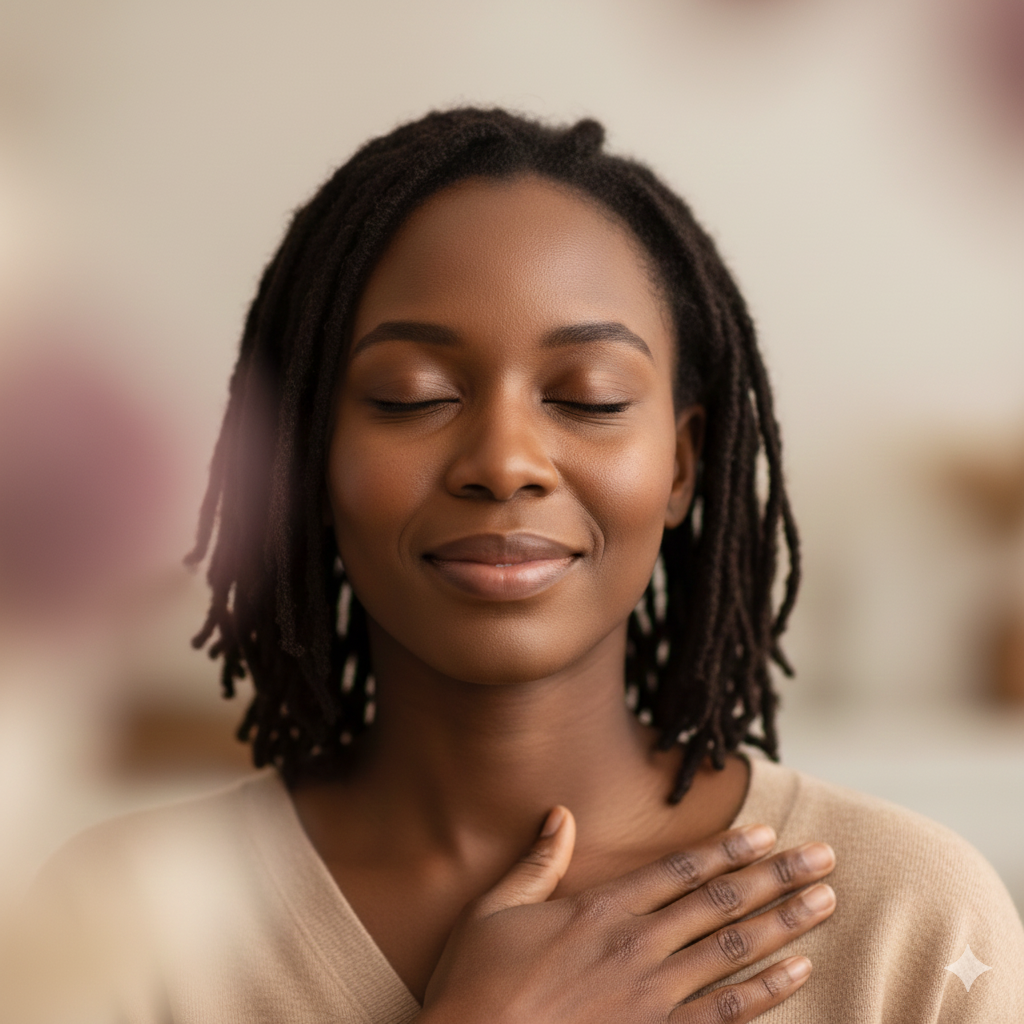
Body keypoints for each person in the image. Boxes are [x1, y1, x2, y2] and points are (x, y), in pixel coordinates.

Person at [19, 108, 1024, 1023]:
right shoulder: (114, 925)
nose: (503, 461)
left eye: (585, 396)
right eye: (411, 395)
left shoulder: (907, 919)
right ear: (308, 457)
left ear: (679, 465)